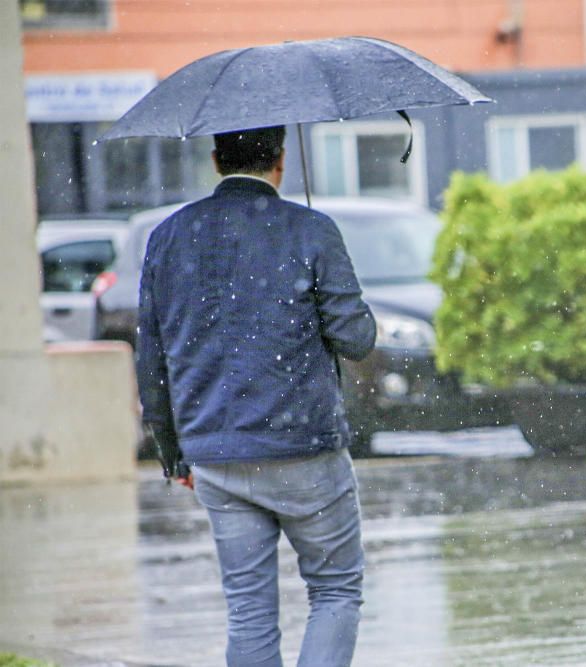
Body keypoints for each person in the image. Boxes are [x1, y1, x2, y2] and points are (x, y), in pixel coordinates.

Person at [136, 125, 376, 667]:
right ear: (281, 161)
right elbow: (357, 339)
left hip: (215, 454)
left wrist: (173, 453)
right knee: (335, 590)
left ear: (217, 159)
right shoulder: (311, 230)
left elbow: (151, 358)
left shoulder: (168, 237)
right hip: (304, 447)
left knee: (248, 611)